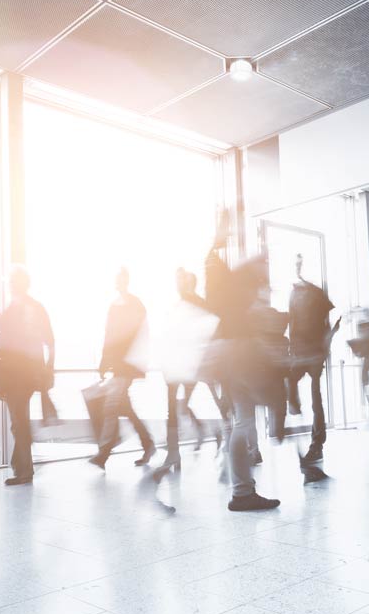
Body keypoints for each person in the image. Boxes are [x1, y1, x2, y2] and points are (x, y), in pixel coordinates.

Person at [203, 212, 281, 511]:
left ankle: (241, 490)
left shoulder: (216, 272)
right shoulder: (221, 275)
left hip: (229, 350)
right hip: (237, 350)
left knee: (242, 420)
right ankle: (241, 492)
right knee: (245, 420)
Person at [0, 266, 55, 485]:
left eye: (12, 282)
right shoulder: (31, 307)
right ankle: (21, 465)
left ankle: (24, 469)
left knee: (19, 421)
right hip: (24, 372)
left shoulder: (22, 308)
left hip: (19, 373)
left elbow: (18, 342)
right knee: (18, 421)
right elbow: (48, 340)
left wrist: (48, 368)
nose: (9, 286)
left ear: (20, 284)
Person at [90, 268, 156, 468]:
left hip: (127, 364)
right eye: (117, 278)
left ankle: (103, 453)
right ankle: (148, 444)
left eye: (121, 278)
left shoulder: (135, 304)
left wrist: (137, 362)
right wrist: (104, 361)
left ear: (126, 281)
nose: (119, 282)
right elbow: (108, 335)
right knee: (124, 407)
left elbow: (141, 335)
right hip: (118, 364)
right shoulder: (115, 306)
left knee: (111, 406)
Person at [158, 268, 219, 470]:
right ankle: (177, 450)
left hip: (190, 364)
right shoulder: (182, 306)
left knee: (177, 407)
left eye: (181, 280)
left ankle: (215, 433)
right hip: (179, 364)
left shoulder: (193, 305)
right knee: (175, 407)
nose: (178, 284)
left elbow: (205, 333)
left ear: (188, 283)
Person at [286, 254, 335, 462]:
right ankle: (295, 405)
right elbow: (292, 322)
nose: (298, 268)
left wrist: (325, 347)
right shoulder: (295, 293)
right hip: (300, 351)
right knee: (295, 385)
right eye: (296, 264)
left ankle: (317, 444)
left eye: (300, 264)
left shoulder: (317, 294)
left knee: (316, 398)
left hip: (313, 352)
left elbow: (327, 324)